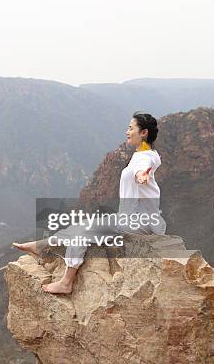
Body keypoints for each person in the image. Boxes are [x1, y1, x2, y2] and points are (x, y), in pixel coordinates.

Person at [12, 112, 166, 294]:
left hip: (137, 223)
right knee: (83, 225)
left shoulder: (144, 158)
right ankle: (42, 246)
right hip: (131, 218)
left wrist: (142, 176)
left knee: (83, 233)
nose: (127, 131)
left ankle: (66, 282)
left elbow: (141, 171)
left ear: (143, 133)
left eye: (131, 128)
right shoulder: (143, 153)